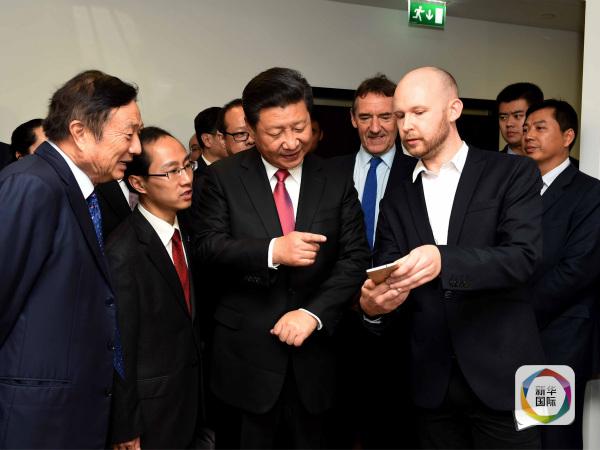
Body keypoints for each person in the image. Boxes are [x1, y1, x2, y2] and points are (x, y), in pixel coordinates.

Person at [360, 66, 545, 449]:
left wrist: (444, 260)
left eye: (418, 112)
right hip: (430, 382)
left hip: (504, 375)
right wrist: (374, 306)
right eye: (400, 115)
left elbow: (522, 258)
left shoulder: (511, 172)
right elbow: (388, 270)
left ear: (454, 109)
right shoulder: (397, 194)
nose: (406, 125)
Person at [194, 67, 370, 449]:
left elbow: (355, 257)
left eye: (299, 127)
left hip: (317, 361)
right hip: (245, 362)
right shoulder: (222, 178)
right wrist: (273, 250)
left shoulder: (335, 177)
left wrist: (313, 313)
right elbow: (206, 248)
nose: (291, 142)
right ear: (251, 129)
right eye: (276, 132)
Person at [0, 69, 142, 448]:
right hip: (31, 420)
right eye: (128, 134)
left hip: (66, 416)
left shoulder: (78, 190)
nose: (137, 148)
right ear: (79, 132)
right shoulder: (32, 185)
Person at [326, 74, 417, 450]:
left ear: (399, 118)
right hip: (337, 319)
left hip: (401, 320)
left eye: (385, 116)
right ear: (353, 119)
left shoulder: (419, 172)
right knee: (337, 422)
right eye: (365, 117)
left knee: (394, 425)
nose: (375, 127)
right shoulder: (328, 172)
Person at [106, 127, 203, 449]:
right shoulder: (122, 251)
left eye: (187, 165)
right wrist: (125, 425)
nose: (186, 179)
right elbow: (120, 348)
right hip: (152, 413)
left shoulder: (189, 230)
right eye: (171, 171)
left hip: (192, 399)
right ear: (138, 183)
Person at [523, 99, 600, 449]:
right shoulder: (516, 190)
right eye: (527, 128)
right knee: (518, 433)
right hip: (511, 336)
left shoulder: (589, 192)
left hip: (559, 333)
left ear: (568, 137)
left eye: (540, 128)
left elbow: (578, 269)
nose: (528, 135)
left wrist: (518, 313)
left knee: (551, 433)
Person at [496, 82, 543, 155]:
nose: (509, 124)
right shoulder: (489, 161)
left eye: (517, 116)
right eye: (503, 117)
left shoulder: (553, 160)